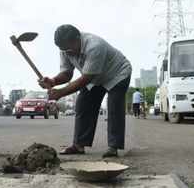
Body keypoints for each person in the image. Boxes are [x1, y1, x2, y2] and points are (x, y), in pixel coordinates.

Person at [39, 24, 132, 158]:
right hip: (96, 76)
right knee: (83, 104)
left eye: (69, 49)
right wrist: (53, 81)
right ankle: (78, 145)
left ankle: (113, 147)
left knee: (114, 107)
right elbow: (67, 73)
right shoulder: (65, 49)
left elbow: (86, 79)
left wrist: (60, 93)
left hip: (117, 73)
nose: (68, 52)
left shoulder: (95, 46)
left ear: (78, 38)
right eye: (64, 50)